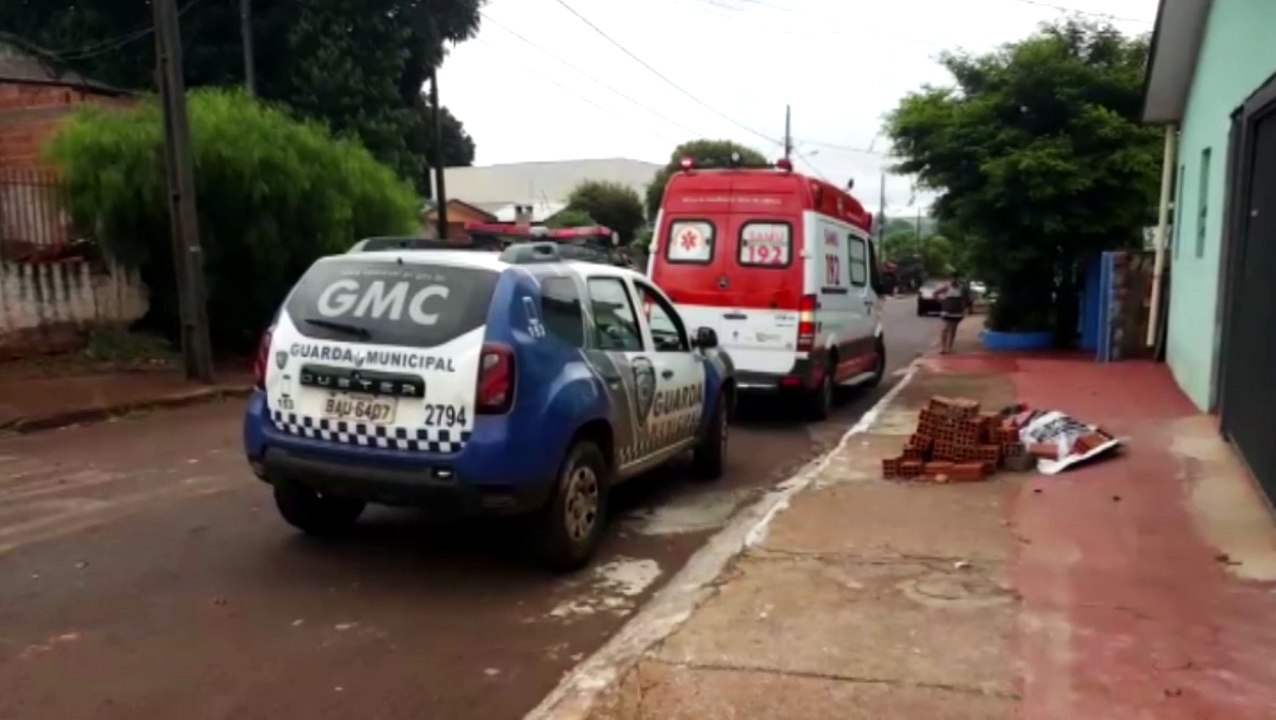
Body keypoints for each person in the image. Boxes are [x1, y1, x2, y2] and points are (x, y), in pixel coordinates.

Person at [937, 273, 971, 354]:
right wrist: (942, 301)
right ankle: (943, 347)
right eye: (952, 278)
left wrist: (965, 309)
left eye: (956, 278)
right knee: (945, 328)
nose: (954, 280)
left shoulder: (961, 288)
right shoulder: (947, 287)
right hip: (947, 311)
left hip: (957, 311)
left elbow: (965, 299)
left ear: (958, 279)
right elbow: (935, 293)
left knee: (953, 329)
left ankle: (950, 347)